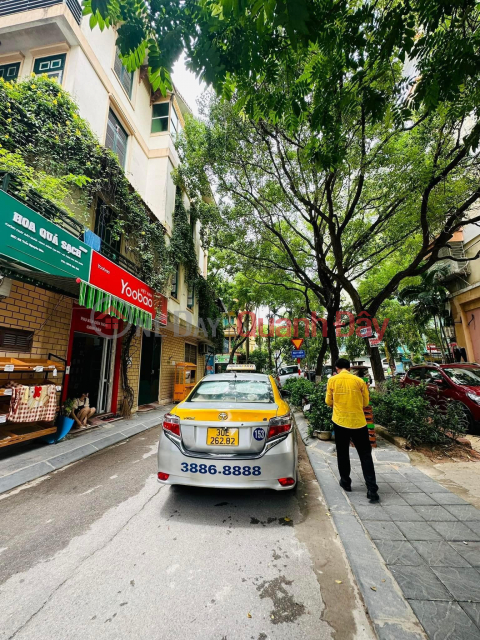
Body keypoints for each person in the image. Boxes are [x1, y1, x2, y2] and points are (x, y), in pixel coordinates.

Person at [326, 358, 379, 502]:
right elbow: (365, 403)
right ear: (349, 368)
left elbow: (328, 402)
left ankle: (346, 482)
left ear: (337, 368)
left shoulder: (332, 381)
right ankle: (372, 489)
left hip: (340, 422)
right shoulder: (359, 381)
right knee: (365, 455)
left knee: (342, 453)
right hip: (359, 423)